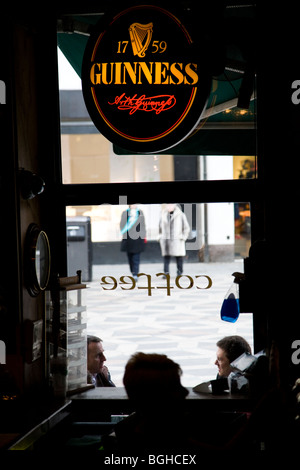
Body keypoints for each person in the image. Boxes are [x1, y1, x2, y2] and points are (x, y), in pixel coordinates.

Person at [158, 203, 190, 276]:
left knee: (179, 257)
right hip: (166, 240)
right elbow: (159, 227)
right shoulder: (163, 214)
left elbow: (186, 228)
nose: (169, 206)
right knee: (166, 257)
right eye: (168, 205)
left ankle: (179, 272)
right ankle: (166, 273)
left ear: (174, 205)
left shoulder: (180, 215)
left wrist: (183, 237)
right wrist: (160, 236)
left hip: (177, 240)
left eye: (171, 204)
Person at [120, 204, 146, 281]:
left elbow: (143, 225)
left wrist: (143, 235)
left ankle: (135, 274)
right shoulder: (125, 213)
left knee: (136, 257)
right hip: (128, 239)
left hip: (138, 239)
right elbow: (122, 225)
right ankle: (133, 271)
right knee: (130, 257)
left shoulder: (140, 212)